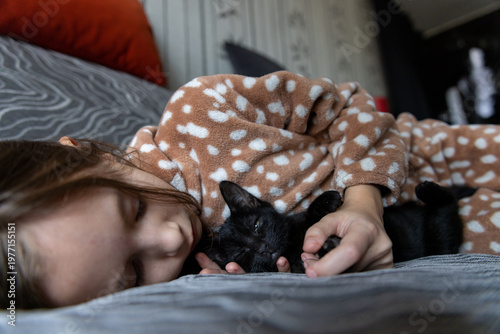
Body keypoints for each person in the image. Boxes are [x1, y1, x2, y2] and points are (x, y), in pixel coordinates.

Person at [1, 71, 499, 309]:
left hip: (440, 154)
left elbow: (350, 104)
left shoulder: (202, 111)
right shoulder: (192, 283)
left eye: (132, 209)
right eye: (133, 273)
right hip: (454, 238)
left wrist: (364, 202)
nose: (171, 241)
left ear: (88, 154)